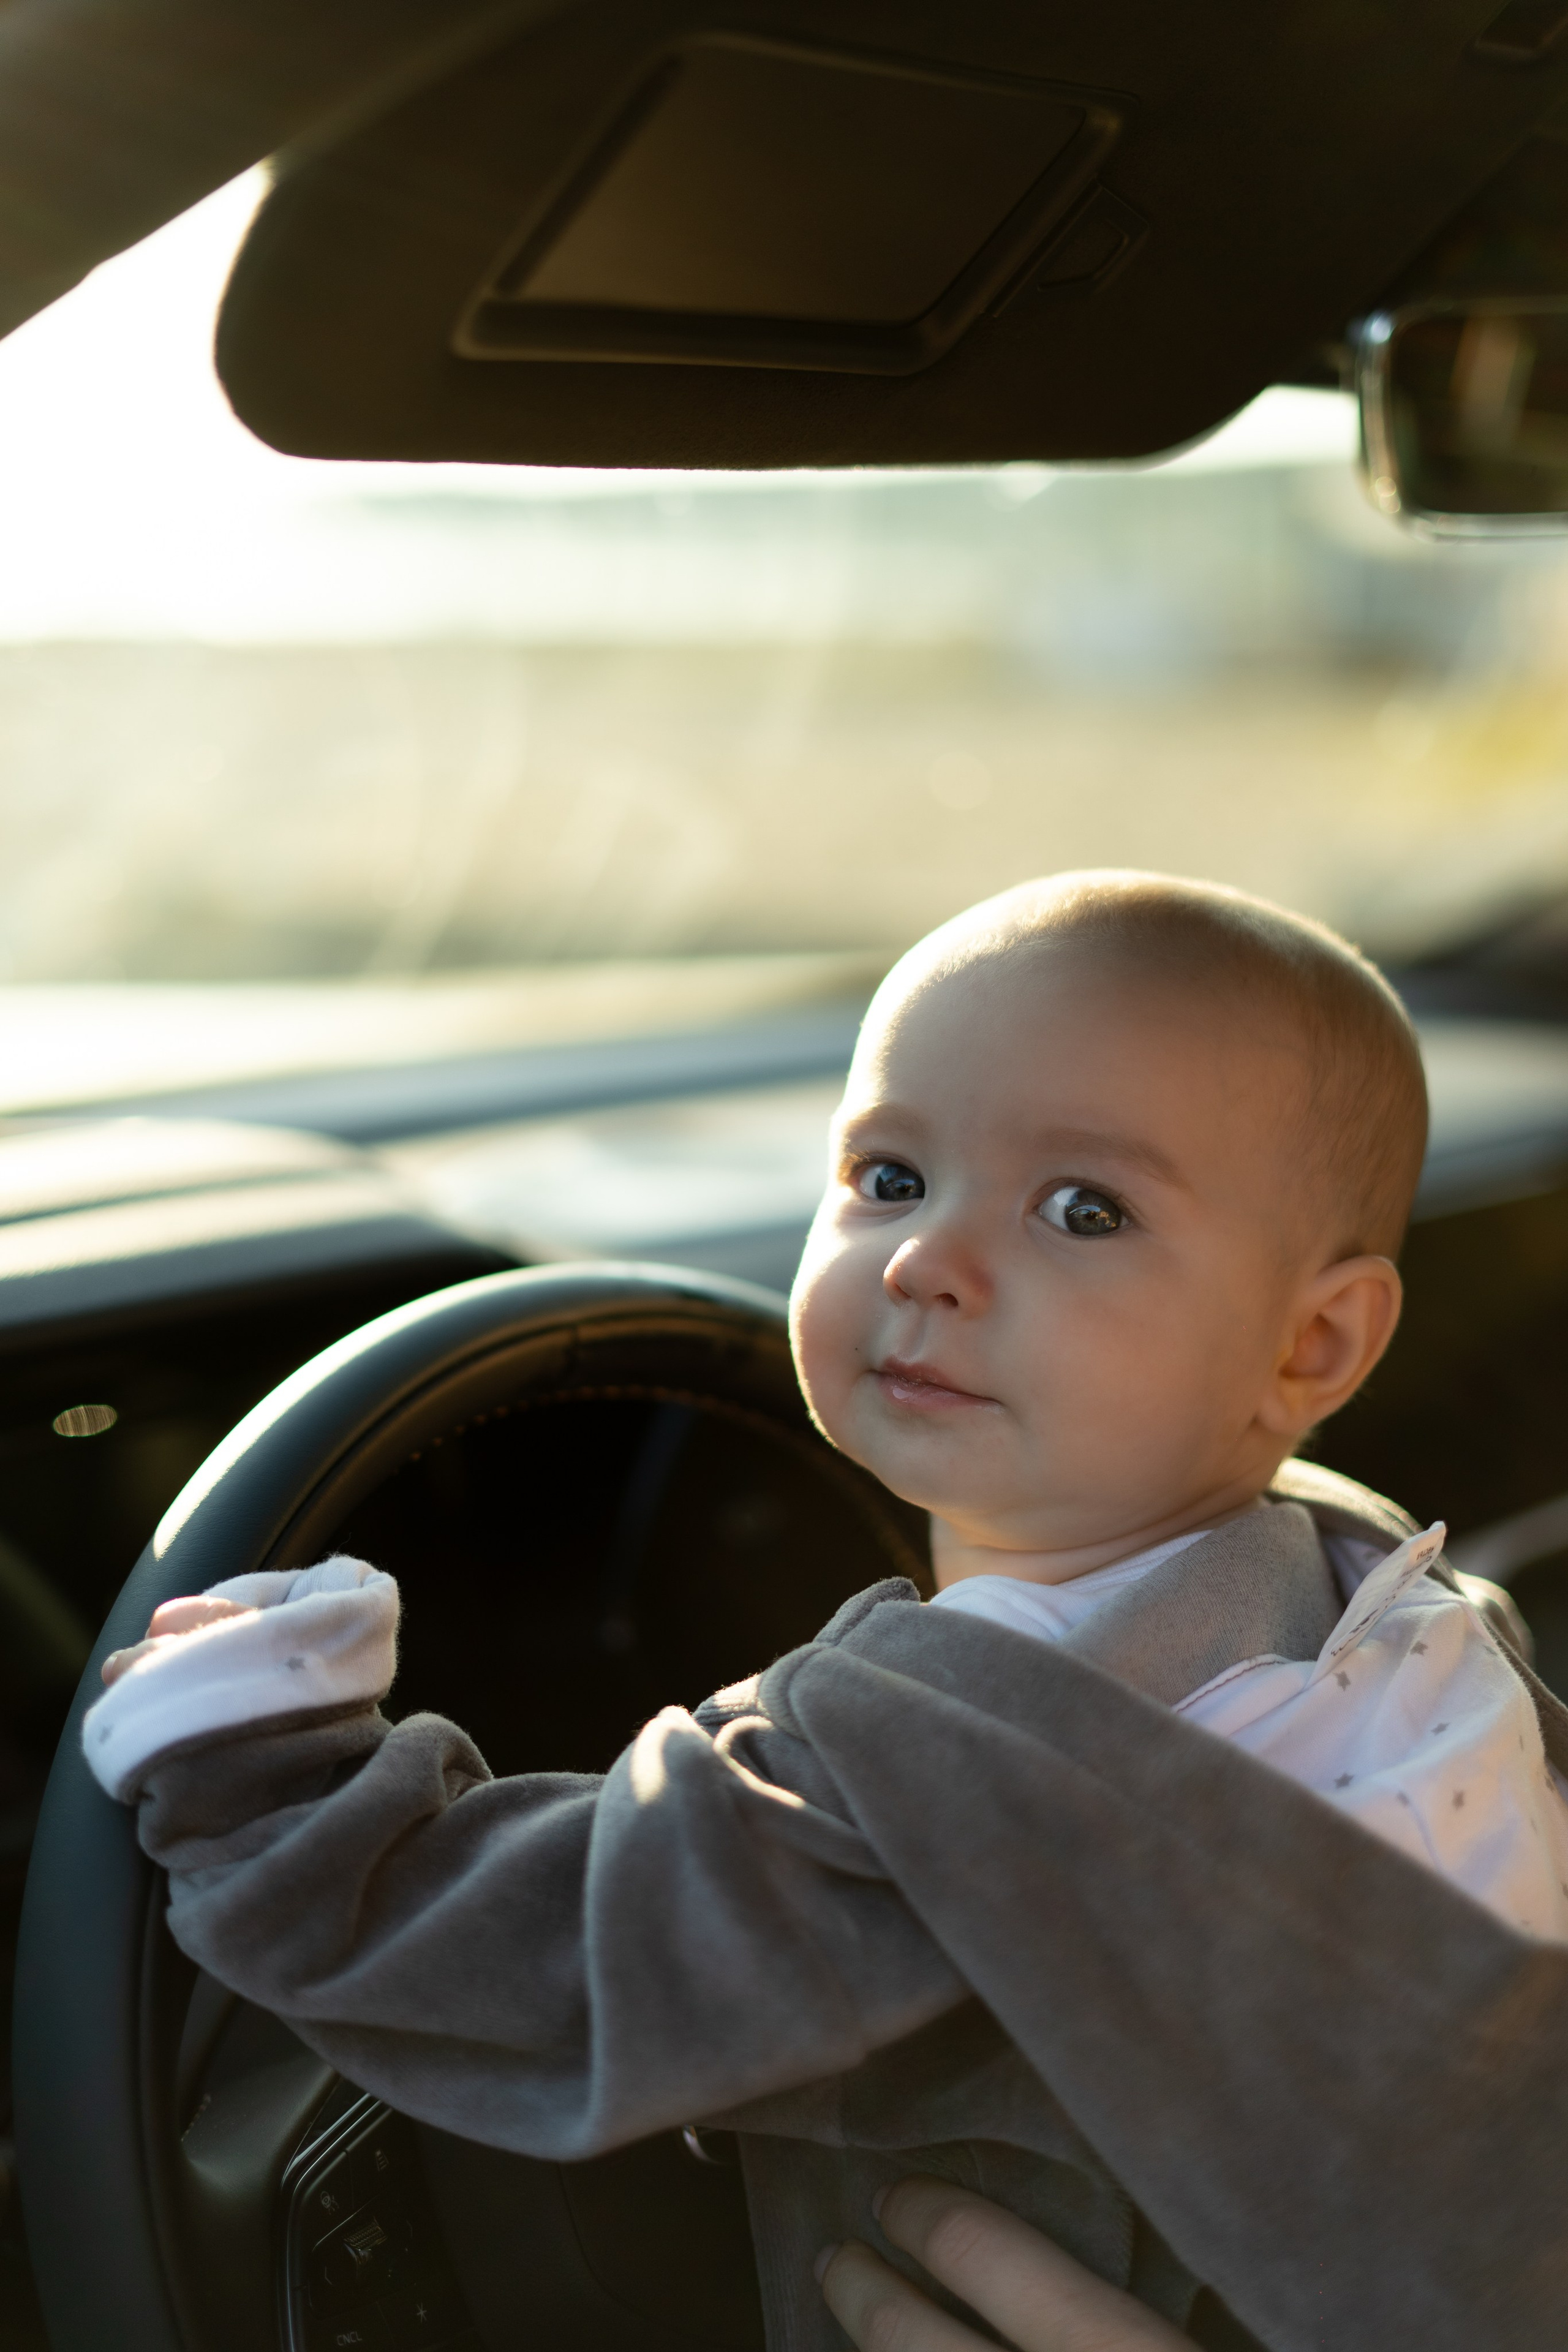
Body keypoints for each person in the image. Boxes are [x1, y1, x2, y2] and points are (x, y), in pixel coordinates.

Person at [82, 872, 1568, 2349]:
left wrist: (255, 1766)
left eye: (1082, 1209)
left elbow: (538, 1967)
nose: (924, 1263)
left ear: (1312, 1343)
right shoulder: (1395, 1598)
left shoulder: (924, 1748)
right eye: (889, 1178)